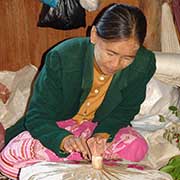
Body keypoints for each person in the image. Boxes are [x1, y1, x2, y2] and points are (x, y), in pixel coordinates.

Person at [0, 3, 156, 179]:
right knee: (9, 160)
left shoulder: (144, 63)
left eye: (127, 58)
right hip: (58, 125)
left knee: (138, 147)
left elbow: (126, 110)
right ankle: (75, 161)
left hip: (98, 125)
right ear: (94, 35)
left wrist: (101, 135)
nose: (115, 65)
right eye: (110, 53)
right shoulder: (63, 57)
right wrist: (64, 140)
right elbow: (38, 115)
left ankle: (67, 163)